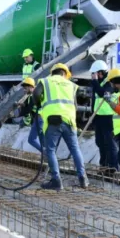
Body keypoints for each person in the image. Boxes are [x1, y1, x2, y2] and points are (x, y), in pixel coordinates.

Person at [33, 63, 88, 191]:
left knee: (51, 151)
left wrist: (39, 104)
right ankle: (83, 178)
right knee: (75, 149)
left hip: (53, 121)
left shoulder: (46, 81)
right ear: (64, 73)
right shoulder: (71, 85)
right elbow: (74, 105)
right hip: (69, 121)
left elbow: (36, 93)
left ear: (53, 72)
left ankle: (56, 180)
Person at [90, 60, 118, 173]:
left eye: (95, 73)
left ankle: (113, 168)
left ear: (100, 72)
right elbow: (95, 99)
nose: (93, 76)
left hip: (108, 117)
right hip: (98, 116)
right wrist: (93, 115)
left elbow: (103, 93)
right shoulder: (98, 82)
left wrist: (95, 82)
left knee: (110, 143)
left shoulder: (109, 82)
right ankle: (103, 166)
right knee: (100, 142)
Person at [16, 78, 43, 152]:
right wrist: (23, 105)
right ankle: (48, 156)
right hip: (41, 119)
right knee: (43, 140)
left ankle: (46, 154)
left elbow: (28, 110)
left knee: (31, 140)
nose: (24, 90)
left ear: (31, 87)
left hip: (39, 119)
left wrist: (17, 114)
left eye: (25, 88)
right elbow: (31, 106)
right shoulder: (35, 94)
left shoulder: (33, 95)